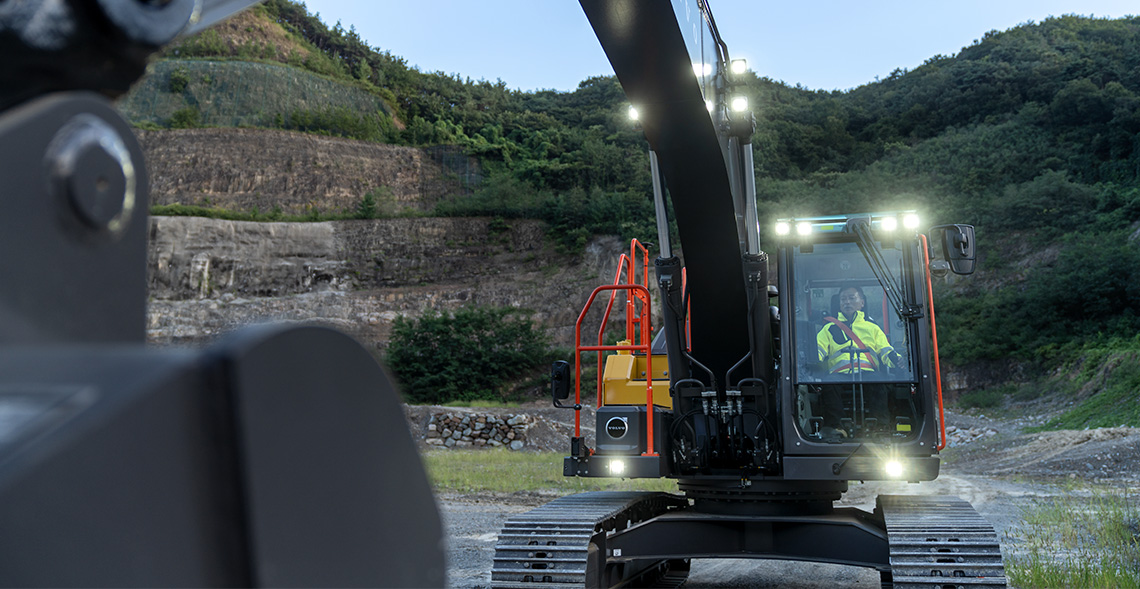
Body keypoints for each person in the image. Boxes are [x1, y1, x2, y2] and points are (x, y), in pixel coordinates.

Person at [814, 285, 899, 436]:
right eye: (843, 299)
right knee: (828, 384)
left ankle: (879, 428)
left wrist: (897, 360)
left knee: (880, 382)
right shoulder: (828, 329)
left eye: (852, 298)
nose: (847, 302)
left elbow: (885, 350)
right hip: (838, 374)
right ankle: (837, 427)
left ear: (862, 303)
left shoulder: (873, 328)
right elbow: (818, 351)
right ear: (839, 304)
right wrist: (811, 360)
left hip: (868, 373)